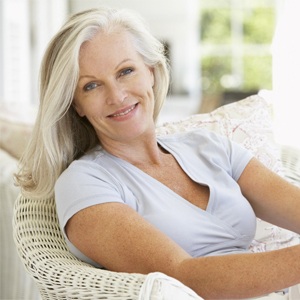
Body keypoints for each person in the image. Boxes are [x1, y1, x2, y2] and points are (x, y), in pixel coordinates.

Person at [15, 6, 300, 299]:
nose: (117, 96)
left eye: (125, 71)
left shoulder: (209, 146)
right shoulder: (83, 183)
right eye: (91, 86)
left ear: (151, 71)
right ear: (77, 105)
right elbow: (184, 276)